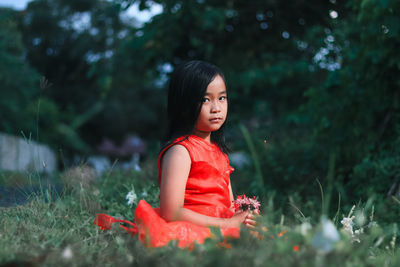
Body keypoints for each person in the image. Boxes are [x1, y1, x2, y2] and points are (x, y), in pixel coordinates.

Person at [94, 60, 258, 248]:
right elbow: (171, 212)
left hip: (221, 224)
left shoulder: (219, 153)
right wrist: (226, 224)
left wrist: (243, 213)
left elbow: (227, 204)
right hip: (193, 225)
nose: (216, 108)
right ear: (183, 105)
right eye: (205, 100)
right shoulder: (181, 151)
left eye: (222, 98)